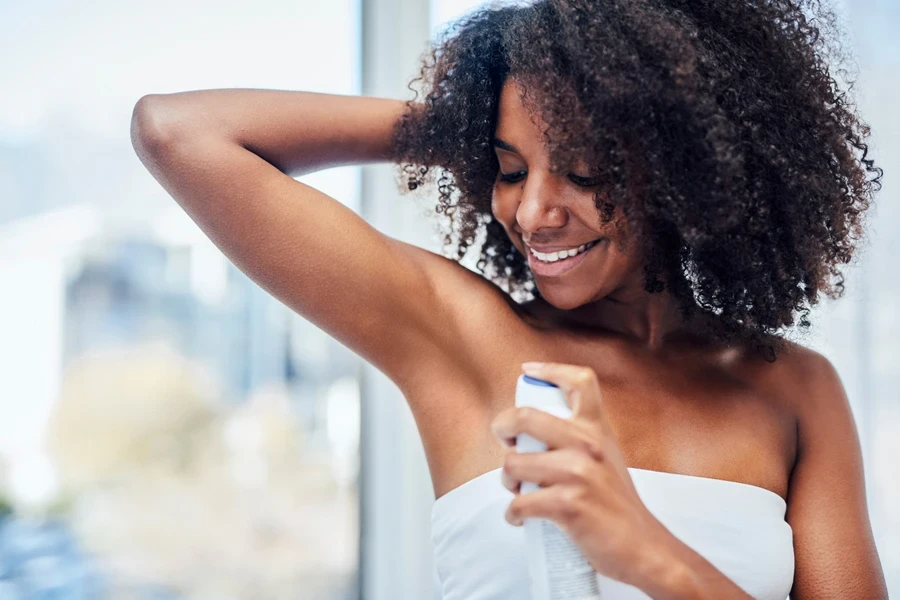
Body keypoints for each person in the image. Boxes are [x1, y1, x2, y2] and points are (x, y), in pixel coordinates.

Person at [129, 0, 888, 597]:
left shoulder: (791, 389)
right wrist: (464, 120)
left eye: (582, 169)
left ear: (681, 162)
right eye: (510, 169)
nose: (532, 214)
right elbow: (179, 133)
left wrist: (651, 555)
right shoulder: (461, 336)